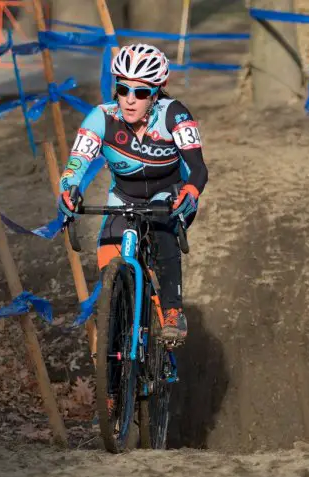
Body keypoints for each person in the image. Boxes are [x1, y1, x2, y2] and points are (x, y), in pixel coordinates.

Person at [57, 44, 208, 341]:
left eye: (140, 93)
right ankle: (122, 325)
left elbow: (198, 168)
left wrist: (190, 190)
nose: (129, 100)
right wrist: (68, 190)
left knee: (164, 232)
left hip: (169, 195)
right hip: (124, 197)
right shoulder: (101, 117)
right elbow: (75, 165)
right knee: (108, 261)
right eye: (122, 89)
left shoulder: (174, 115)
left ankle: (172, 309)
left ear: (155, 93)